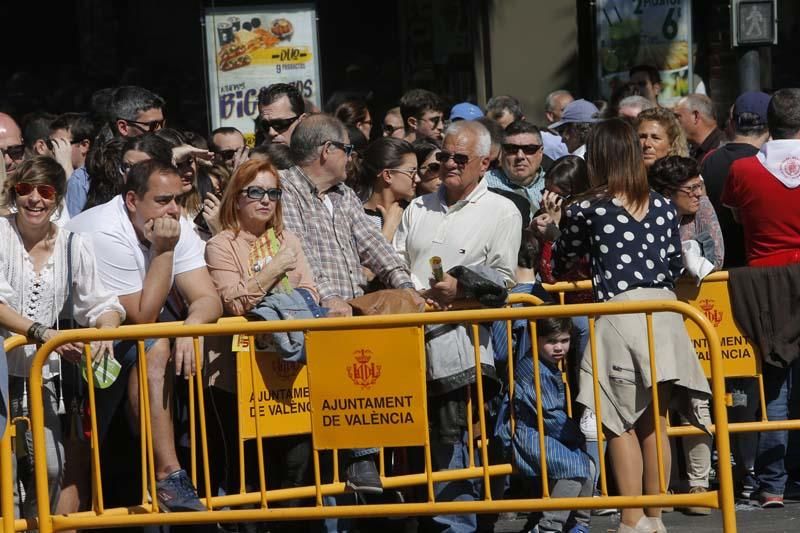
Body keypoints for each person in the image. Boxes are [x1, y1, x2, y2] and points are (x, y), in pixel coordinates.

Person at [543, 118, 711, 533]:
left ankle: (631, 519)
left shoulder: (588, 206)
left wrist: (550, 227)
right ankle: (655, 517)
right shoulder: (662, 204)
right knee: (656, 421)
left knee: (617, 421)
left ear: (598, 158)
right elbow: (674, 263)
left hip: (621, 313)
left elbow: (563, 263)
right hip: (668, 313)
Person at [66, 159, 223, 513]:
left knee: (156, 342)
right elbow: (143, 316)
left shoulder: (171, 223)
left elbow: (208, 298)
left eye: (178, 200)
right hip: (70, 349)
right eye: (163, 200)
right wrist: (164, 250)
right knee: (73, 466)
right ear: (132, 200)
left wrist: (192, 327)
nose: (173, 210)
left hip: (121, 345)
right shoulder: (105, 229)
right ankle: (168, 474)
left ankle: (168, 475)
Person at [281, 113, 421, 493]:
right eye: (347, 149)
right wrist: (328, 297)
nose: (352, 158)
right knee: (304, 457)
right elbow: (299, 254)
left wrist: (407, 288)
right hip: (312, 319)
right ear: (328, 151)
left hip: (349, 321)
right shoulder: (284, 189)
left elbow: (374, 245)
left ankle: (362, 467)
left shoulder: (342, 195)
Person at [393, 120, 521, 532]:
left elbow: (503, 279)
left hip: (461, 347)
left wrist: (460, 285)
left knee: (454, 440)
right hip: (407, 342)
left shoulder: (502, 209)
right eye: (443, 156)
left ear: (485, 163)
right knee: (416, 439)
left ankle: (458, 524)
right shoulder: (418, 207)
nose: (449, 164)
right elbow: (394, 261)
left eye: (459, 158)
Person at [0, 156, 124, 519]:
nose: (34, 199)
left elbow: (103, 303)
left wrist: (105, 333)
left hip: (43, 375)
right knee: (5, 475)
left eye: (45, 190)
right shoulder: (0, 233)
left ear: (57, 198)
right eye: (25, 189)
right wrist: (43, 333)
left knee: (50, 468)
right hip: (1, 373)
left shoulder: (74, 244)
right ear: (14, 193)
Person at [722, 88, 800, 509]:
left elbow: (737, 216)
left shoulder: (742, 170)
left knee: (774, 386)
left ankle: (772, 483)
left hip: (765, 281)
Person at [500, 317, 594, 533]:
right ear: (536, 339)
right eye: (552, 341)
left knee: (587, 465)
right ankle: (549, 527)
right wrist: (576, 434)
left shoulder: (545, 364)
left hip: (545, 431)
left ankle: (578, 524)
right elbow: (550, 415)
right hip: (530, 434)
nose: (559, 347)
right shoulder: (536, 370)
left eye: (565, 340)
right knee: (573, 467)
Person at [701, 91, 770, 269]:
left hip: (719, 266)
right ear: (770, 126)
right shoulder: (766, 162)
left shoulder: (708, 160)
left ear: (732, 123)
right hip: (757, 266)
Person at [359, 137, 419, 241]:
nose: (418, 179)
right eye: (411, 172)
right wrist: (389, 230)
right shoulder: (358, 219)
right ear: (388, 175)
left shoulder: (415, 213)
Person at [484, 120, 546, 215]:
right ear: (502, 151)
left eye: (529, 149)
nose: (520, 156)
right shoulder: (483, 185)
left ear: (541, 152)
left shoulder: (557, 184)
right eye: (512, 149)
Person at [49, 113, 98, 216]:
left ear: (84, 145)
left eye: (60, 144)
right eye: (51, 144)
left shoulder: (91, 178)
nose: (54, 150)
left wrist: (67, 171)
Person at [673, 94, 726, 163]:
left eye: (678, 117)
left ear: (695, 116)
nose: (674, 122)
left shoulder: (723, 150)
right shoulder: (696, 149)